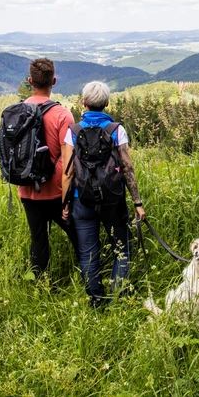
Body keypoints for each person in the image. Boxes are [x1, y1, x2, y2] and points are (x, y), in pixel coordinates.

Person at [62, 81, 145, 308]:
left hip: (82, 200)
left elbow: (68, 173)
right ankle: (118, 295)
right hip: (113, 201)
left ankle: (97, 301)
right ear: (107, 103)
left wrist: (65, 205)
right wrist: (138, 203)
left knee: (88, 252)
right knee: (122, 247)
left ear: (84, 103)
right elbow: (127, 168)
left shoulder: (73, 132)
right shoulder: (116, 130)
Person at [18, 58, 80, 277]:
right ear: (53, 81)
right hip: (55, 190)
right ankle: (89, 276)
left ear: (30, 81)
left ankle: (38, 283)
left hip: (26, 189)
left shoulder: (18, 112)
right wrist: (66, 200)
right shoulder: (63, 115)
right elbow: (69, 164)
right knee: (77, 234)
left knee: (38, 240)